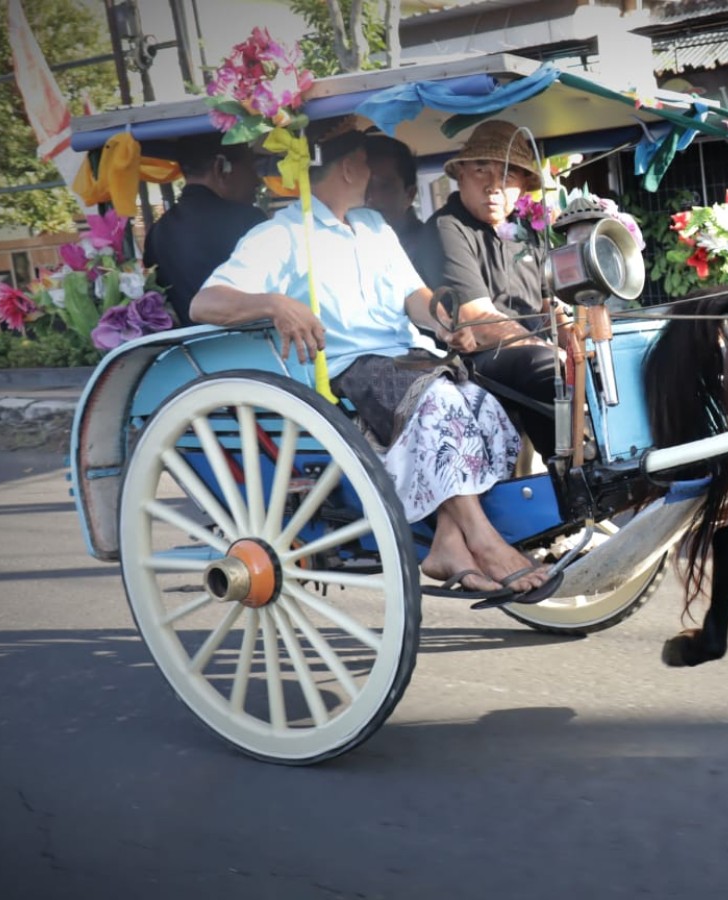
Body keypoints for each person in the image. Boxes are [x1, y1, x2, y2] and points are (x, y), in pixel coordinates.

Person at [189, 120, 555, 600]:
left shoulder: (373, 227)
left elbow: (413, 295)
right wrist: (274, 304)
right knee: (441, 404)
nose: (371, 174)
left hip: (408, 359)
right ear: (349, 168)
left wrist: (444, 321)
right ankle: (484, 542)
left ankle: (447, 541)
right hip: (348, 370)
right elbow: (205, 303)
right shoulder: (281, 235)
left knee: (481, 401)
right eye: (366, 162)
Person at [414, 119, 558, 455]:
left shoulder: (527, 232)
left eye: (507, 175)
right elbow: (476, 318)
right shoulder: (446, 228)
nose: (494, 186)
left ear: (521, 186)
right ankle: (567, 479)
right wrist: (551, 349)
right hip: (474, 358)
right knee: (547, 367)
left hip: (532, 347)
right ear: (461, 174)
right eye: (482, 170)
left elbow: (548, 306)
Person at [143, 133, 268, 324]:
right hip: (247, 345)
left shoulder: (157, 232)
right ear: (221, 168)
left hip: (186, 351)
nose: (258, 181)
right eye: (251, 168)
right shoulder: (249, 221)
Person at [364, 134, 424, 256]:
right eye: (361, 184)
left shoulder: (431, 247)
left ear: (410, 195)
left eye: (383, 186)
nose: (369, 196)